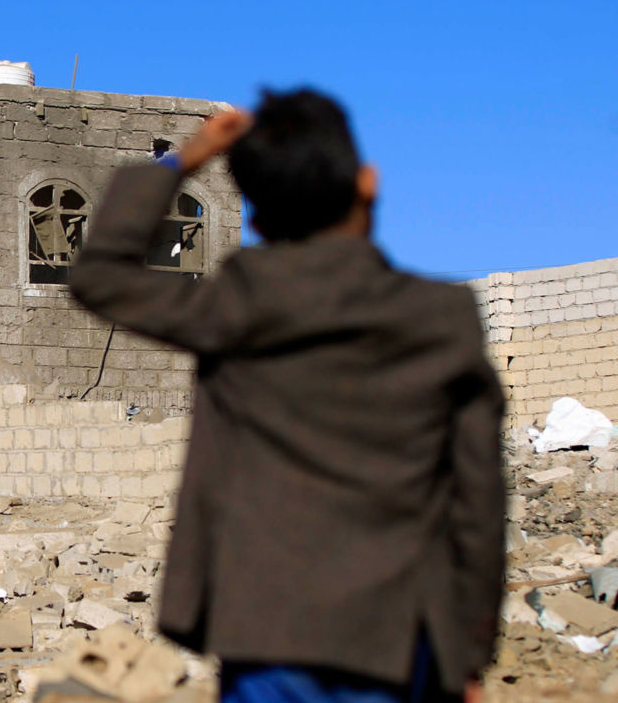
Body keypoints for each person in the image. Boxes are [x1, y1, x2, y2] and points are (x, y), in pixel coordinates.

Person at [70, 90, 504, 702]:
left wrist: (185, 159)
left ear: (254, 219)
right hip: (399, 638)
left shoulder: (239, 302)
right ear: (368, 184)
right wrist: (471, 651)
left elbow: (98, 276)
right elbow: (478, 499)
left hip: (265, 630)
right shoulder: (442, 317)